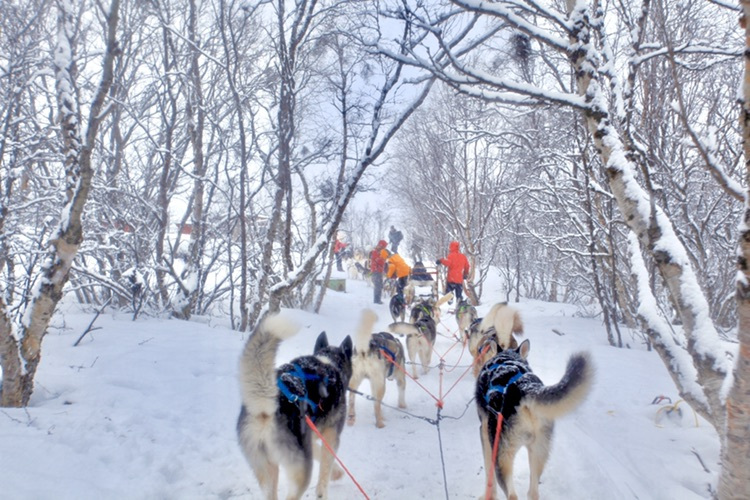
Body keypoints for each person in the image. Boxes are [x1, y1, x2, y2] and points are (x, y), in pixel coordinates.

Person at [370, 240, 388, 304]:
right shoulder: (375, 252)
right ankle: (376, 300)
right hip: (376, 270)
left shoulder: (378, 251)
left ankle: (378, 299)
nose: (384, 248)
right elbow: (378, 261)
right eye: (384, 246)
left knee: (379, 285)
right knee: (378, 286)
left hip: (378, 270)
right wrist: (383, 258)